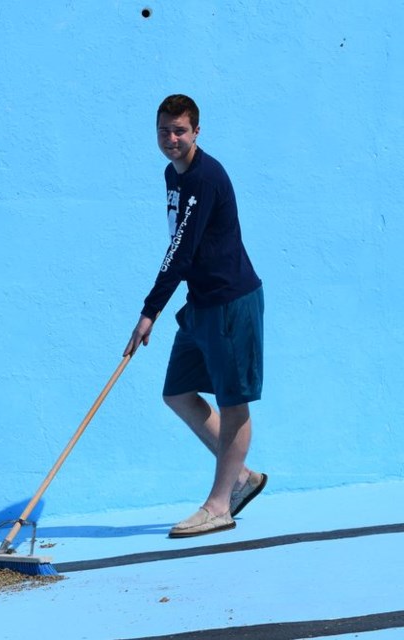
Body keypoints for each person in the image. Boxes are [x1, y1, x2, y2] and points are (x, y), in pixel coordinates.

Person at [124, 95, 266, 538]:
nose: (171, 139)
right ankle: (241, 476)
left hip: (230, 302)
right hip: (201, 302)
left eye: (180, 131)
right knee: (178, 392)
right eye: (164, 131)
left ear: (196, 132)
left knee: (233, 399)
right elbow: (182, 249)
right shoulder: (173, 174)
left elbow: (180, 252)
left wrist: (150, 312)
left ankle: (219, 504)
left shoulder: (204, 177)